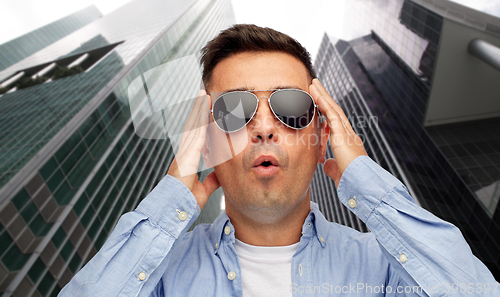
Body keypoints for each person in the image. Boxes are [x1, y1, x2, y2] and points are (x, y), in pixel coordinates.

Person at [59, 24, 498, 296]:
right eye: (233, 110)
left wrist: (365, 178)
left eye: (291, 107)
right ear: (206, 142)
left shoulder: (384, 268)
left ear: (322, 132)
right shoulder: (156, 275)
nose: (265, 128)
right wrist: (169, 200)